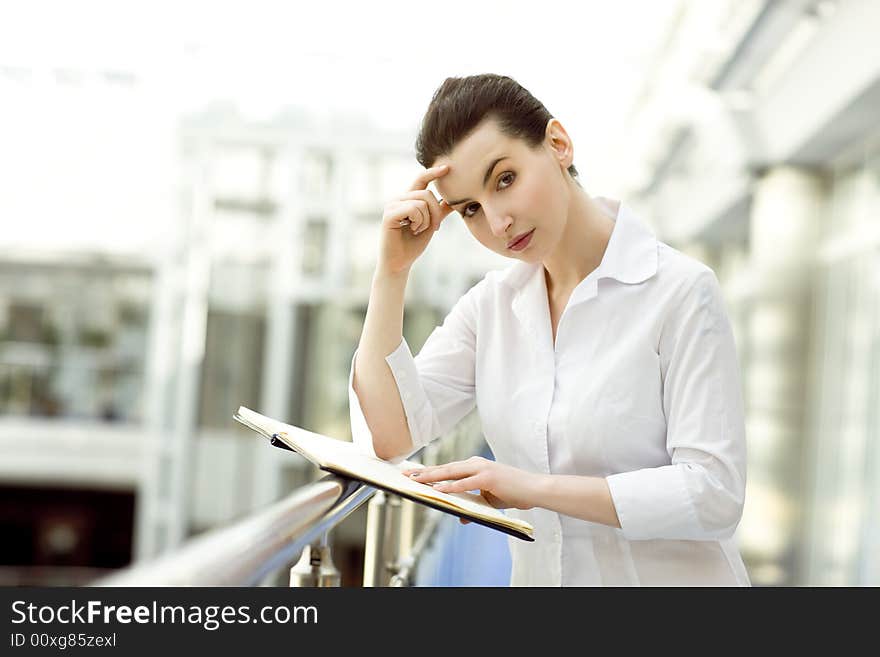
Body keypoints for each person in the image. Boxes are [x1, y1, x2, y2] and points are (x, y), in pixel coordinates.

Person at [348, 73, 750, 586]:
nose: (497, 222)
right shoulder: (491, 308)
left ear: (558, 144)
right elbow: (389, 435)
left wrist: (533, 488)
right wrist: (392, 271)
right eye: (470, 208)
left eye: (505, 179)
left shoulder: (680, 291)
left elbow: (714, 495)